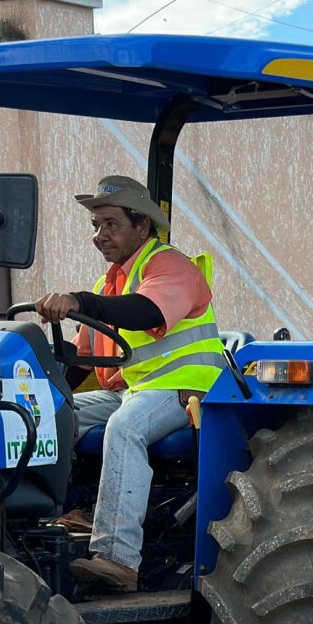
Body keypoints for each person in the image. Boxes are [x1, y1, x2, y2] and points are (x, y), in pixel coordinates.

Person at [35, 175, 226, 592]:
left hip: (187, 388)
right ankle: (63, 514)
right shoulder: (112, 283)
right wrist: (47, 395)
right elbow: (82, 359)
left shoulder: (173, 266)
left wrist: (80, 300)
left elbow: (145, 312)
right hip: (133, 391)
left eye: (111, 224)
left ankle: (118, 558)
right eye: (96, 226)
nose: (100, 236)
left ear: (142, 226)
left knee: (126, 429)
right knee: (51, 416)